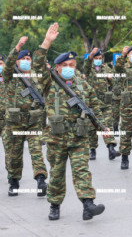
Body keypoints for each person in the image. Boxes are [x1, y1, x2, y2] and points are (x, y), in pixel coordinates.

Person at [33, 23, 106, 221]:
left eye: (71, 65)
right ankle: (55, 205)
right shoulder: (49, 81)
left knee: (82, 170)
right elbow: (37, 65)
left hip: (79, 136)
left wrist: (103, 126)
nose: (68, 68)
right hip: (56, 137)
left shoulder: (83, 83)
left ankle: (88, 205)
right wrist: (47, 41)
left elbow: (95, 106)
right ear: (57, 67)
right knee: (56, 174)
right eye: (64, 66)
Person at [3, 37, 48, 197]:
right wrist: (18, 47)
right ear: (17, 62)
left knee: (36, 151)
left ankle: (41, 179)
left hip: (33, 123)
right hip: (14, 124)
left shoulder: (36, 76)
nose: (26, 61)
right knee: (14, 157)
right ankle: (14, 181)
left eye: (28, 59)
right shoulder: (10, 76)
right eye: (23, 59)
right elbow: (8, 64)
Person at [83, 47, 120, 160]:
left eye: (100, 58)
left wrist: (111, 79)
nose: (98, 60)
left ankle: (111, 148)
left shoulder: (106, 69)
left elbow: (115, 82)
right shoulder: (89, 70)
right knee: (91, 129)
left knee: (107, 125)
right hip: (92, 103)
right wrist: (90, 56)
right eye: (96, 58)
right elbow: (86, 67)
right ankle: (92, 150)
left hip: (105, 103)